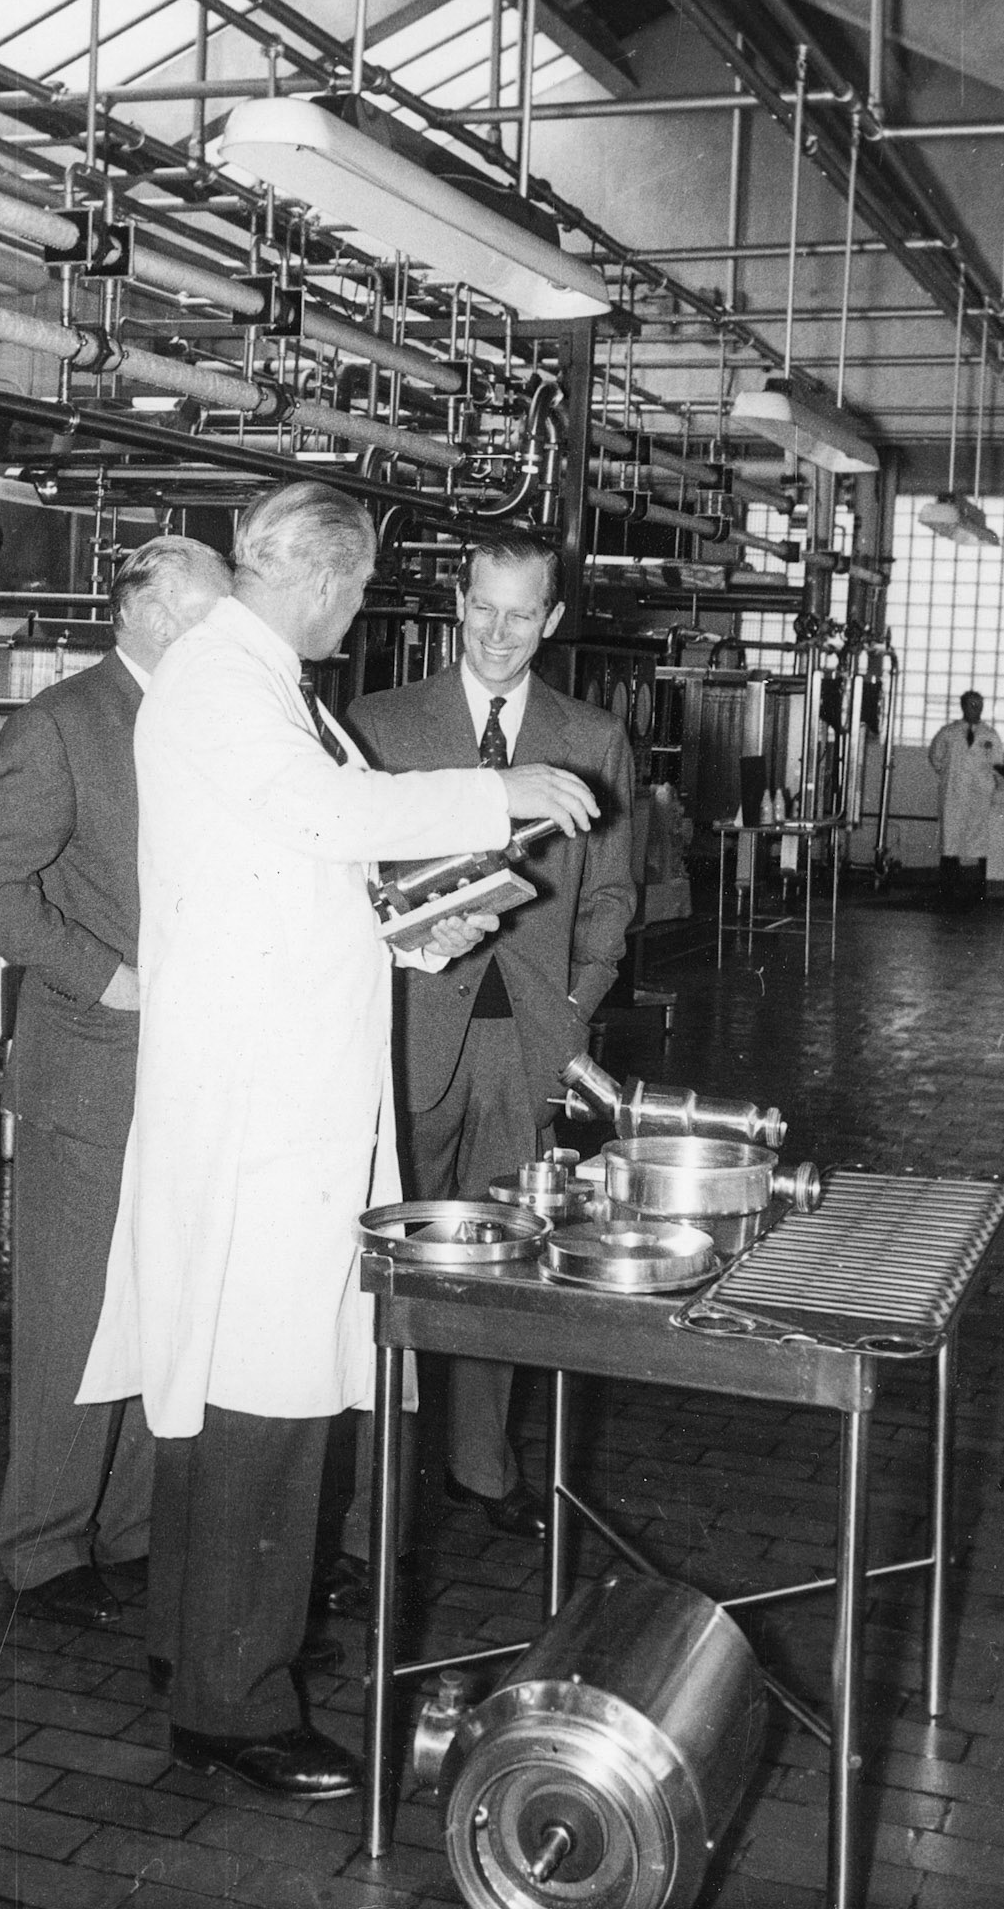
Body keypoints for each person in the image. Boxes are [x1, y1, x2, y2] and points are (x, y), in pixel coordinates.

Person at [76, 480, 597, 1800]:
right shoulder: (221, 684)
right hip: (263, 1110)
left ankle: (193, 1655)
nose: (363, 608)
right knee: (266, 1401)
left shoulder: (271, 687)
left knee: (232, 1390)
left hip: (284, 1092)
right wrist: (500, 792)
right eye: (359, 587)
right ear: (310, 574)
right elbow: (326, 820)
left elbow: (328, 868)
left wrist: (426, 923)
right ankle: (233, 1707)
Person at [330, 537, 635, 1601]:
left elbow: (608, 902)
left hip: (527, 1036)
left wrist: (573, 1020)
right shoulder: (380, 724)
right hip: (408, 1019)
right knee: (403, 1261)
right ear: (455, 603)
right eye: (481, 611)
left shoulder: (591, 737)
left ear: (550, 619)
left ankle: (480, 1463)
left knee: (507, 1250)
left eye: (521, 616)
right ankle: (377, 1509)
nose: (498, 635)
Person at [0, 537, 231, 1628]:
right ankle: (43, 1548)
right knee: (73, 1318)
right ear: (155, 613)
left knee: (155, 1311)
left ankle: (128, 1533)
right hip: (91, 1070)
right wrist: (105, 975)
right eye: (212, 612)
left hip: (191, 1069)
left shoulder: (211, 720)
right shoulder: (61, 723)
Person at [928, 688, 1003, 909]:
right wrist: (951, 775)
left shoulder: (990, 735)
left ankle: (977, 893)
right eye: (971, 705)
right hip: (953, 793)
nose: (976, 709)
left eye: (979, 705)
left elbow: (997, 763)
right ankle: (947, 893)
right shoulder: (948, 733)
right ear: (963, 706)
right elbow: (935, 757)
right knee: (950, 841)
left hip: (979, 795)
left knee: (978, 841)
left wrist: (985, 782)